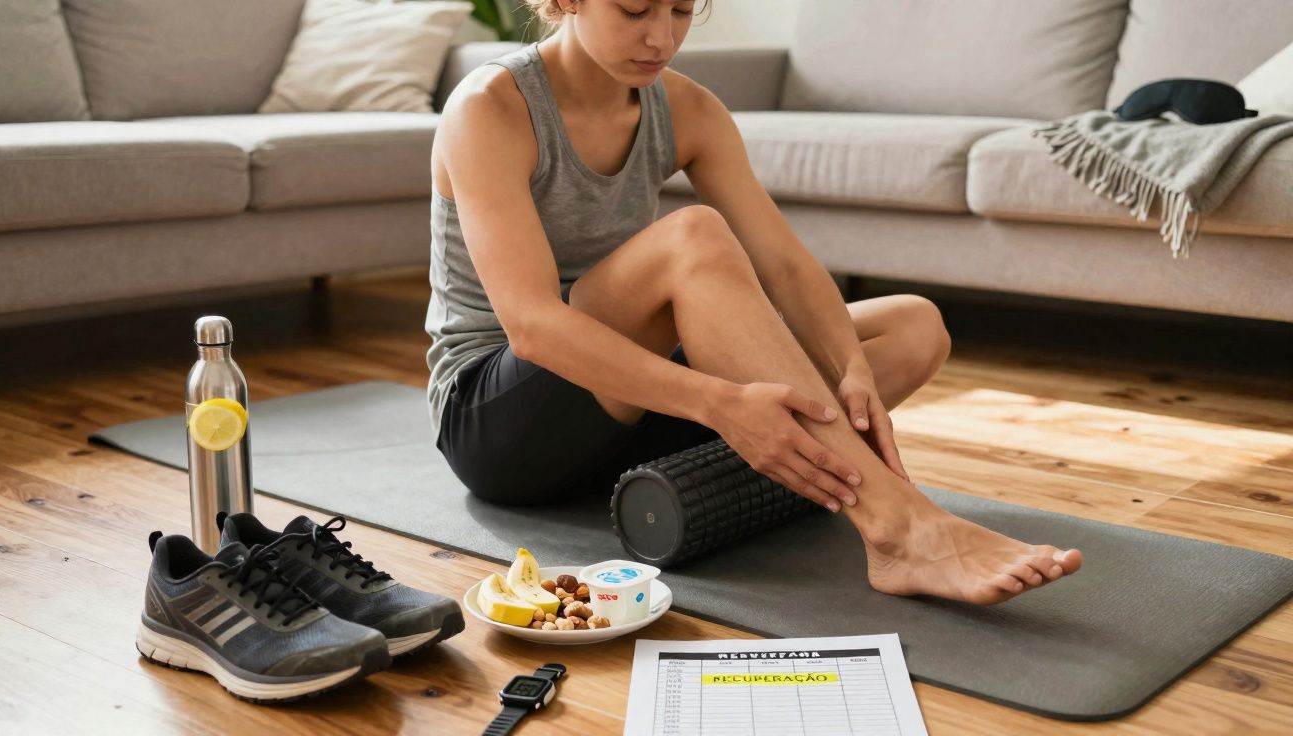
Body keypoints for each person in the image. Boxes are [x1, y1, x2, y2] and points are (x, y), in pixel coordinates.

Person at [425, 0, 1083, 605]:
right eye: (634, 9)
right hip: (499, 421)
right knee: (693, 235)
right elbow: (534, 327)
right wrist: (718, 402)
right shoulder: (491, 107)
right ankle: (897, 524)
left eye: (683, 9)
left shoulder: (686, 108)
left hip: (628, 413)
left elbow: (787, 268)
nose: (662, 36)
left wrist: (850, 368)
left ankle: (725, 472)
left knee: (911, 327)